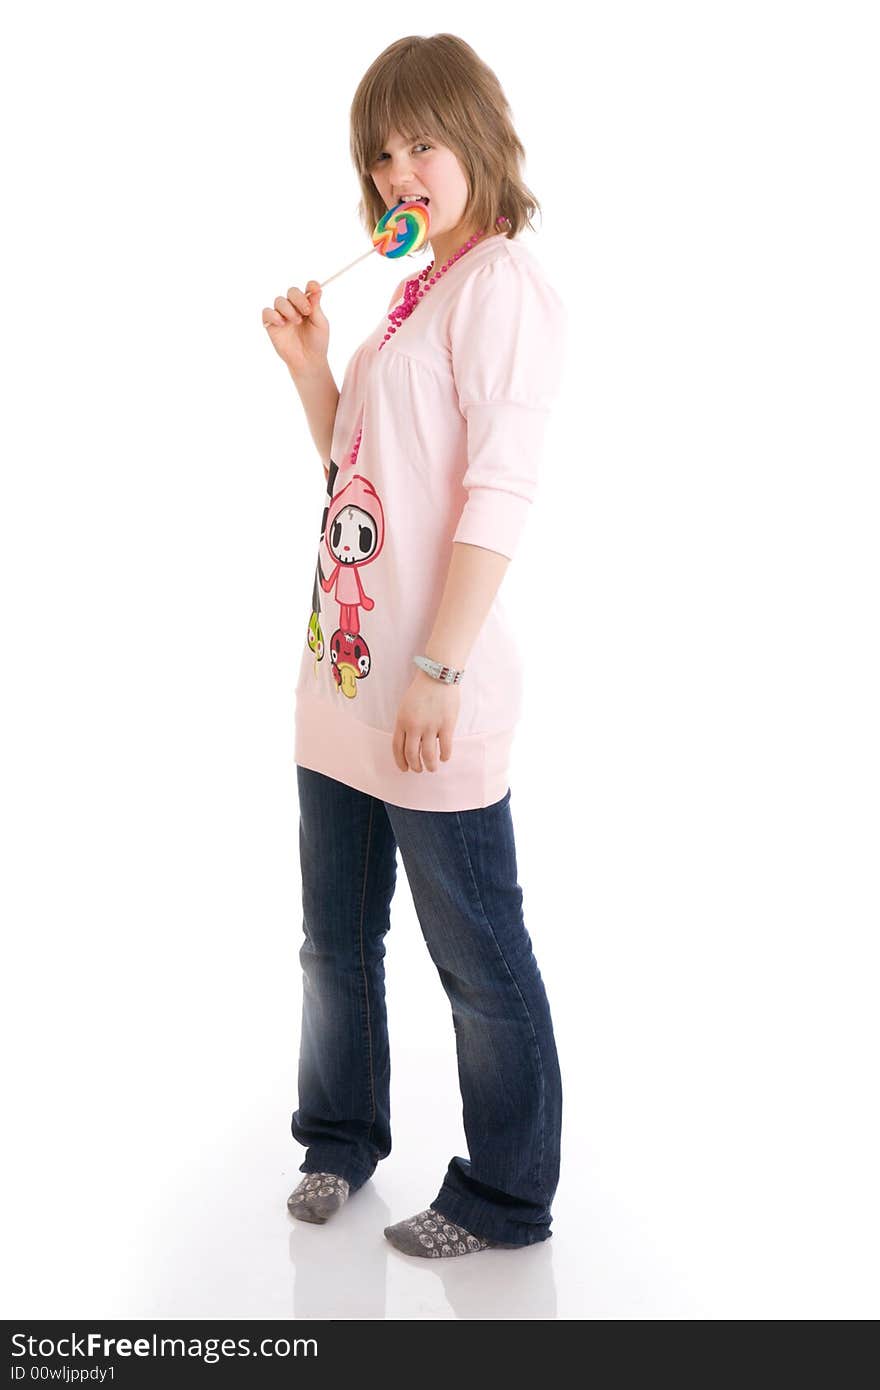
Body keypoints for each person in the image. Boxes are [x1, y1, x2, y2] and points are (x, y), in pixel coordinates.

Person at [262, 34, 567, 1259]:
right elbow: (363, 483)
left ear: (478, 139)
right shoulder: (415, 290)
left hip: (425, 692)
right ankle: (338, 1135)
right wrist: (311, 372)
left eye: (421, 144)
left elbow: (496, 496)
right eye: (380, 153)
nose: (398, 172)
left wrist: (437, 670)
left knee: (479, 958)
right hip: (341, 680)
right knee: (335, 941)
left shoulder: (501, 288)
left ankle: (506, 1194)